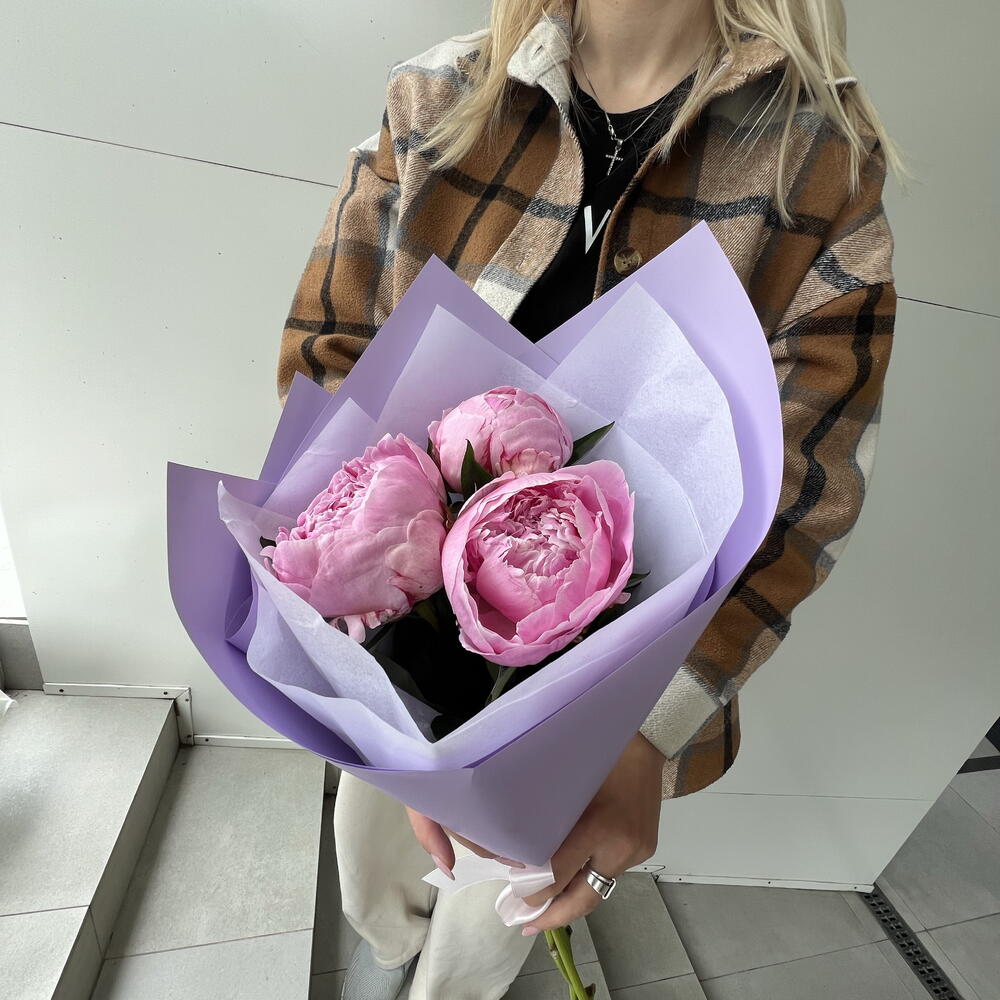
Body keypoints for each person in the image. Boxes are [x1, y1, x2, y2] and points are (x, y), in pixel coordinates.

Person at [277, 1, 903, 997]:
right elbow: (327, 353)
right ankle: (386, 950)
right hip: (395, 637)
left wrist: (642, 733)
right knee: (377, 852)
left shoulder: (817, 166)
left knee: (495, 919)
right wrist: (362, 594)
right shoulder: (438, 97)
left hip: (609, 688)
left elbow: (806, 490)